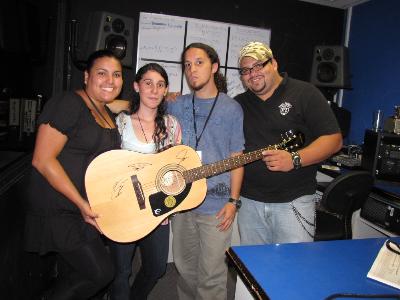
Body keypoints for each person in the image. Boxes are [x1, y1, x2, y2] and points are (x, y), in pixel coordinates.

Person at [23, 49, 123, 299]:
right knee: (100, 273)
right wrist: (81, 203)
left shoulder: (105, 111)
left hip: (83, 207)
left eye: (117, 75)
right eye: (102, 73)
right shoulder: (68, 103)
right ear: (86, 76)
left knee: (73, 273)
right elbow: (42, 159)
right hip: (61, 206)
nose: (110, 80)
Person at [235, 41, 343, 245]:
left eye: (259, 65)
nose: (252, 73)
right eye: (246, 70)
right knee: (253, 269)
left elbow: (334, 139)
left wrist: (295, 159)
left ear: (273, 63)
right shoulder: (240, 103)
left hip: (294, 203)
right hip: (250, 203)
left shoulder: (305, 93)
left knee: (295, 268)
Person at [167, 42, 245, 300]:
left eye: (198, 63)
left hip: (216, 206)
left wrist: (233, 201)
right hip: (181, 203)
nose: (192, 70)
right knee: (186, 271)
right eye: (187, 65)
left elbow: (237, 158)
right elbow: (142, 107)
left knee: (212, 276)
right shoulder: (176, 105)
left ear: (214, 67)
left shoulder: (231, 108)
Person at [107, 63, 182, 300]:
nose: (154, 90)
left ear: (166, 90)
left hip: (157, 212)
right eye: (148, 83)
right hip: (124, 211)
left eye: (160, 85)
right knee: (121, 272)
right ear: (136, 86)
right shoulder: (120, 123)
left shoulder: (171, 125)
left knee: (157, 268)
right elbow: (107, 166)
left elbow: (177, 166)